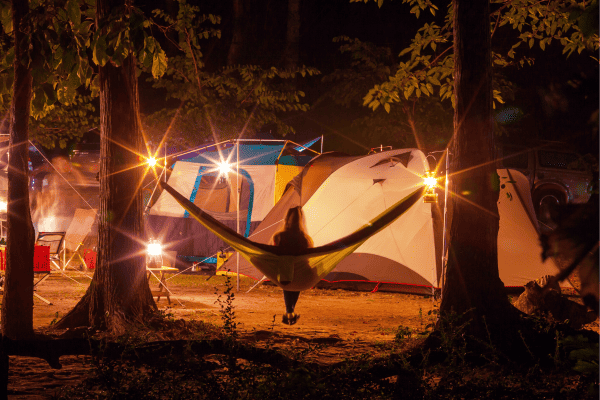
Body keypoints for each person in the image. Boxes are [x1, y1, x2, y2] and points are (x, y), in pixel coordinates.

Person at [270, 206, 314, 325]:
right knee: (296, 283)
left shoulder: (279, 236)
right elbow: (309, 254)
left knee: (288, 282)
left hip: (285, 272)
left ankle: (290, 312)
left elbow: (274, 251)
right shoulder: (304, 238)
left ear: (286, 218)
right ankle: (290, 311)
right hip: (301, 272)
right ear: (301, 220)